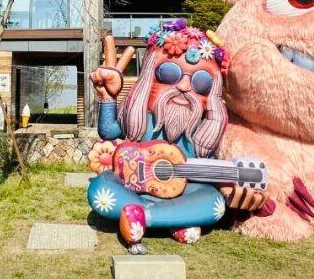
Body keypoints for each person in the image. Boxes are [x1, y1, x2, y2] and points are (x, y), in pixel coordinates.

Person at [85, 20, 262, 254]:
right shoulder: (141, 118)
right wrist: (108, 98)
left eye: (201, 82)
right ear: (150, 75)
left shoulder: (201, 132)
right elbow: (108, 131)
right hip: (131, 188)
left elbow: (210, 172)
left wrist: (231, 182)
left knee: (214, 203)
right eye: (170, 73)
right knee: (101, 190)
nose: (185, 86)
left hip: (184, 190)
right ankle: (176, 219)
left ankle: (142, 217)